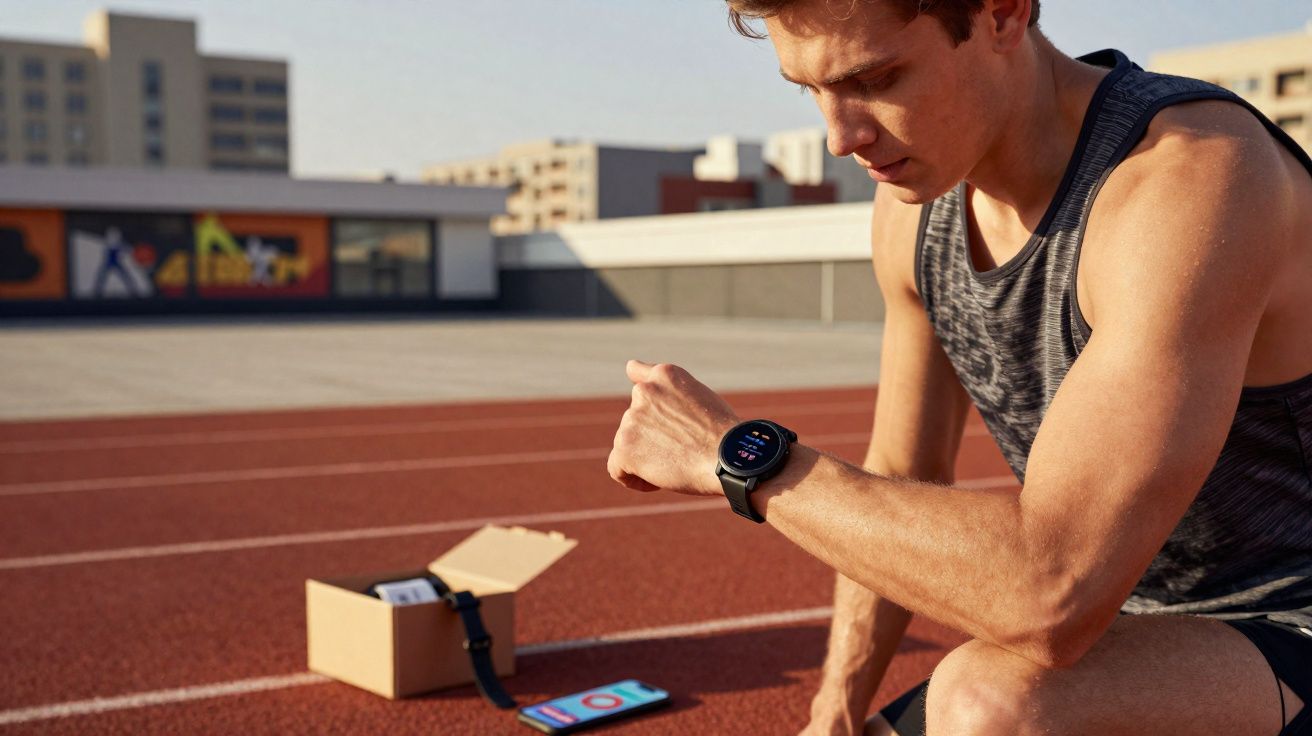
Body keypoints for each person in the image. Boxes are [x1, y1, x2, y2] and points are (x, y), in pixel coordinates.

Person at [606, 1, 1312, 734]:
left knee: (989, 703)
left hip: (1290, 623)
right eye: (809, 91)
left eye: (876, 78)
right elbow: (903, 468)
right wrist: (835, 712)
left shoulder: (1187, 178)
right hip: (1133, 631)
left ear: (1002, 15)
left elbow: (1051, 588)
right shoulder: (917, 206)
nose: (842, 137)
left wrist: (743, 459)